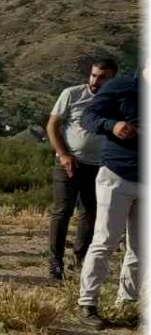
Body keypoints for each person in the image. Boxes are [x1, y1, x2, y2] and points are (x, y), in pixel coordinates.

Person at [77, 66, 140, 329]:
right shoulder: (121, 86)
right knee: (105, 240)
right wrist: (112, 126)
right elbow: (88, 116)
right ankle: (88, 303)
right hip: (117, 176)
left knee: (141, 249)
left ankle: (126, 305)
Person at [46, 59, 117, 280]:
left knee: (90, 213)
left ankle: (80, 258)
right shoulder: (72, 93)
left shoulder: (116, 99)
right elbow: (52, 125)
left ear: (113, 78)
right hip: (69, 162)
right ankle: (55, 262)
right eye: (94, 75)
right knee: (63, 210)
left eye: (102, 77)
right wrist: (63, 154)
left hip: (99, 166)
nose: (96, 81)